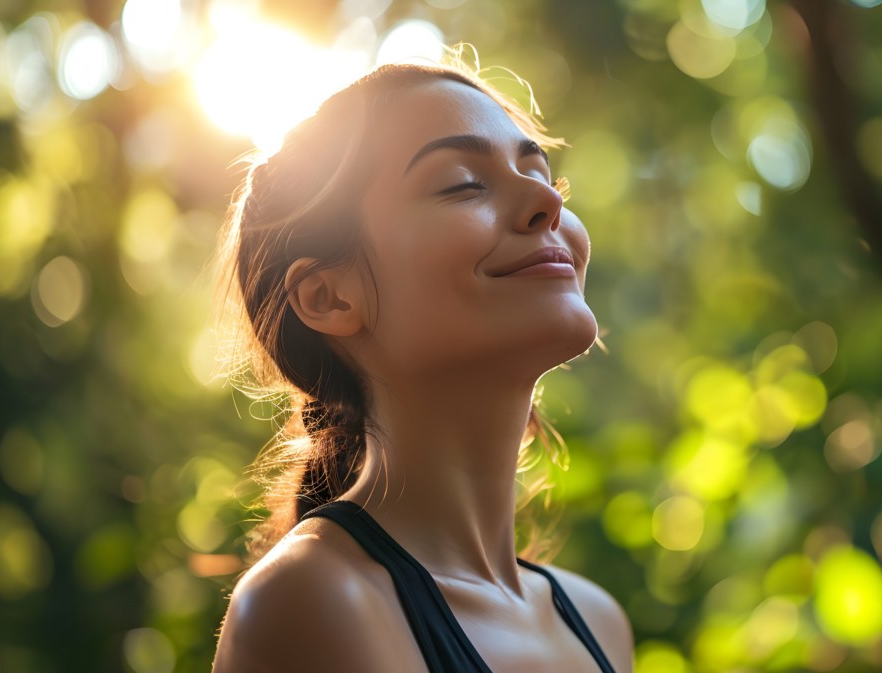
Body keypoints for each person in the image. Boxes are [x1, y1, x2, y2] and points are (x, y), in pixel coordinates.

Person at [208, 51, 634, 672]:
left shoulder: (600, 622)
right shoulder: (315, 602)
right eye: (463, 183)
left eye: (545, 176)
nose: (546, 201)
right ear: (329, 297)